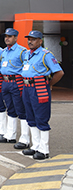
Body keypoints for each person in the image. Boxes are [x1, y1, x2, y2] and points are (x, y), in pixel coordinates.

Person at [21, 30, 64, 160]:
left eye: (33, 39)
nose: (30, 41)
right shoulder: (27, 54)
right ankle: (35, 145)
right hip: (27, 87)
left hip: (39, 87)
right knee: (30, 116)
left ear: (40, 41)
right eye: (29, 39)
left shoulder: (46, 55)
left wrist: (49, 84)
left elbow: (59, 72)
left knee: (41, 116)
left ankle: (44, 149)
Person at [0, 28, 28, 148]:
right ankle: (10, 135)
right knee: (10, 108)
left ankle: (25, 138)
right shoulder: (4, 51)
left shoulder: (22, 51)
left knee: (21, 109)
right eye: (6, 36)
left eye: (10, 36)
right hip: (5, 82)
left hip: (17, 82)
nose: (7, 38)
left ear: (15, 37)